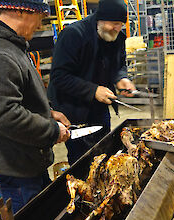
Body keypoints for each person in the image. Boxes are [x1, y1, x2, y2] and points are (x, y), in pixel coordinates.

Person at [0, 0, 71, 213]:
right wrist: (51, 131)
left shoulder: (11, 45)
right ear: (21, 10)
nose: (40, 25)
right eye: (40, 16)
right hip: (17, 167)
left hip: (25, 160)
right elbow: (4, 115)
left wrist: (48, 114)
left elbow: (18, 99)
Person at [48, 0, 136, 165]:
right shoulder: (73, 35)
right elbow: (59, 76)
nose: (118, 28)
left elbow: (119, 64)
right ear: (101, 19)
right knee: (82, 160)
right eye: (114, 24)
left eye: (121, 24)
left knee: (105, 151)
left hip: (99, 107)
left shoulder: (115, 37)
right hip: (73, 110)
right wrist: (93, 90)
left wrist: (121, 78)